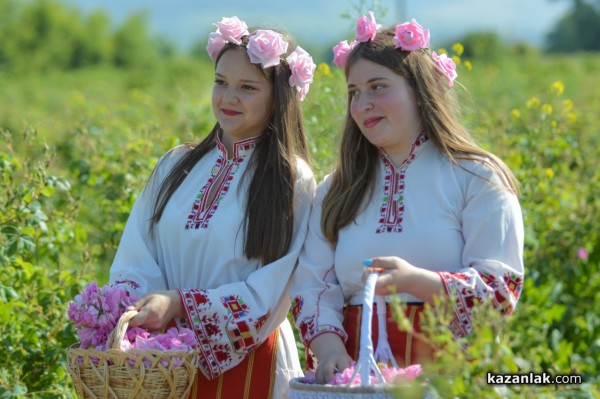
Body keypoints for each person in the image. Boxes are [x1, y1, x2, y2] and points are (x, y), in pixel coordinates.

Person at [290, 13, 524, 384]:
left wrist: (418, 281)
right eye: (353, 92)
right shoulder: (336, 188)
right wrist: (331, 351)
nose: (362, 103)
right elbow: (312, 287)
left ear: (419, 90)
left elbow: (500, 290)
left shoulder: (476, 177)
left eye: (378, 86)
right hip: (356, 375)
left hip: (448, 375)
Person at [109, 16, 317, 398]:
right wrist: (140, 313)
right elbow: (135, 252)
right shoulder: (176, 164)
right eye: (220, 82)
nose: (228, 98)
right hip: (160, 360)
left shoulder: (292, 178)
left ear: (278, 98)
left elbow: (274, 286)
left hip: (250, 358)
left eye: (247, 87)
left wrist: (180, 303)